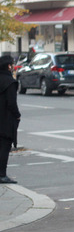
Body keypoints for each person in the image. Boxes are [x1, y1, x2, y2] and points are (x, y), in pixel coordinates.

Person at [0, 55, 21, 184]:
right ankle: (2, 174)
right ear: (9, 66)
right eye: (12, 64)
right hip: (6, 119)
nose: (13, 66)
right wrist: (17, 115)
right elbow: (12, 103)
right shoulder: (10, 82)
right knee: (5, 146)